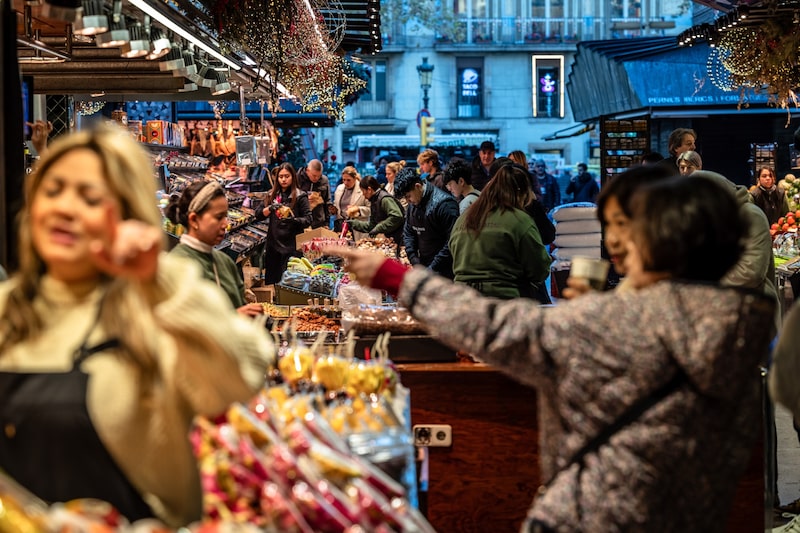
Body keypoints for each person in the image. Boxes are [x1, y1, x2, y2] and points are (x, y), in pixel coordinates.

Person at [327, 175, 775, 531]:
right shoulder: (735, 330)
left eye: (626, 227)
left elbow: (494, 326)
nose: (614, 241)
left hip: (591, 516)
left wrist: (396, 278)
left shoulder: (616, 323)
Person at [0, 125, 274, 526]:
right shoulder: (9, 308)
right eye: (52, 191)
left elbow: (242, 378)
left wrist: (157, 279)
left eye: (90, 197)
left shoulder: (159, 306)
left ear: (127, 213)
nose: (64, 208)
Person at [563, 165, 675, 299]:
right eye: (608, 224)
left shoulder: (676, 294)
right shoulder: (631, 287)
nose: (611, 240)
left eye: (621, 223)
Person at [448, 164, 551, 303]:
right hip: (503, 302)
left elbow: (453, 254)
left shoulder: (464, 218)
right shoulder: (520, 220)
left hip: (462, 300)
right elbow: (540, 268)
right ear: (520, 194)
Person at [166, 181, 264, 317]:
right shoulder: (175, 266)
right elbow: (177, 323)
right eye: (219, 217)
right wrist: (234, 317)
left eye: (226, 216)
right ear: (194, 220)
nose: (225, 224)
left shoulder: (225, 262)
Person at [393, 167, 459, 279]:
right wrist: (413, 258)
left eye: (408, 196)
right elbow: (408, 232)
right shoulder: (413, 204)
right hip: (424, 265)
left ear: (418, 186)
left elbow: (452, 242)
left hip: (445, 271)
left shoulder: (445, 204)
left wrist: (432, 268)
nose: (408, 201)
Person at [256, 163, 313, 284]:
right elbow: (258, 215)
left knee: (291, 283)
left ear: (293, 177)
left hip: (292, 246)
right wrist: (270, 208)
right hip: (273, 246)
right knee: (273, 281)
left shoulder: (300, 196)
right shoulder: (272, 195)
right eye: (280, 176)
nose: (283, 179)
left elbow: (308, 219)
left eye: (287, 176)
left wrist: (293, 220)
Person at [348, 175, 405, 245]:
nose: (363, 194)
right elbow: (372, 226)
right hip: (391, 239)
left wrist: (379, 227)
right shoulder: (374, 200)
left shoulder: (385, 199)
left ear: (369, 189)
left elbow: (397, 216)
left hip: (400, 240)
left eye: (363, 191)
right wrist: (353, 223)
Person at [330, 166, 370, 238]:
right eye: (344, 180)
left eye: (348, 180)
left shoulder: (363, 189)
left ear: (355, 179)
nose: (345, 182)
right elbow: (336, 204)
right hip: (341, 226)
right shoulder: (339, 188)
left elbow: (370, 209)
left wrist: (358, 209)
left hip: (357, 228)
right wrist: (334, 210)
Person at [297, 159, 331, 229]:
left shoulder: (324, 180)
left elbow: (327, 201)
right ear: (307, 170)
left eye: (319, 176)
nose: (316, 178)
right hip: (301, 222)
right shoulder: (297, 179)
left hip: (319, 222)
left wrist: (327, 223)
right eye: (314, 175)